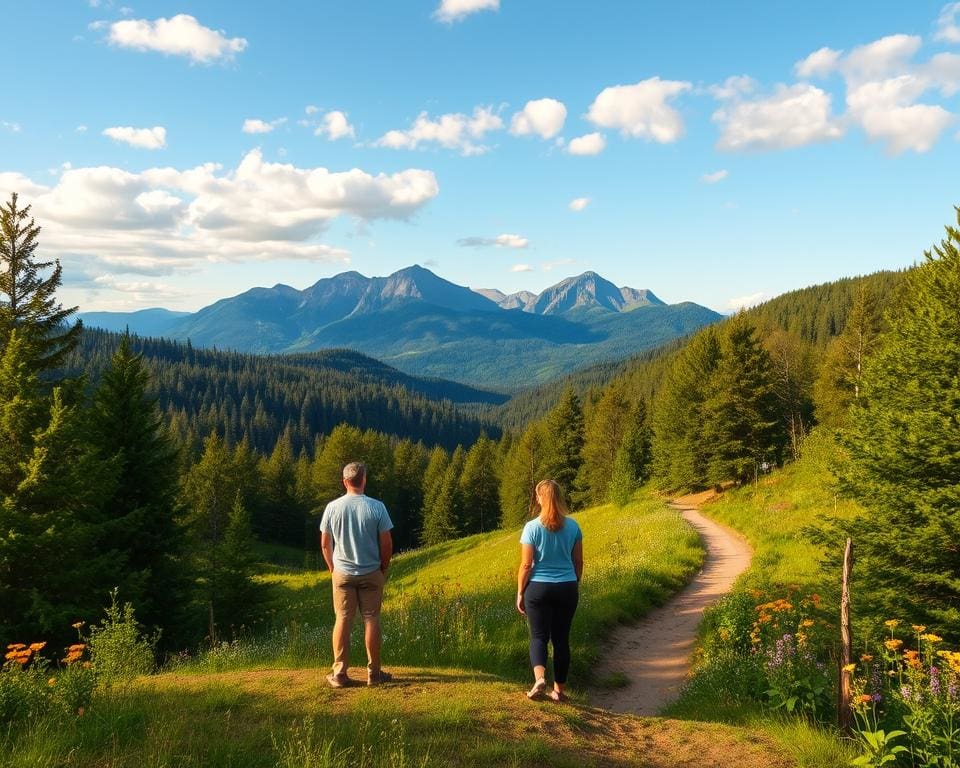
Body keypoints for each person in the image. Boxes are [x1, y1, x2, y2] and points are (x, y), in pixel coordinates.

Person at [319, 461, 394, 687]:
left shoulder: (332, 507)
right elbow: (387, 543)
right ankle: (374, 674)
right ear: (364, 480)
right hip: (371, 571)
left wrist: (332, 568)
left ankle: (339, 673)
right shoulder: (377, 507)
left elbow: (325, 544)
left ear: (345, 482)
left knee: (342, 619)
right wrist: (383, 567)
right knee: (371, 619)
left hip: (342, 573)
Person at [516, 478, 583, 702]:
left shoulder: (532, 527)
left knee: (539, 636)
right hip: (567, 587)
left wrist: (520, 592)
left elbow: (526, 565)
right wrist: (574, 582)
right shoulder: (573, 526)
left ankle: (539, 679)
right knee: (561, 639)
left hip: (538, 588)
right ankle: (559, 691)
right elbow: (578, 561)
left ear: (540, 498)